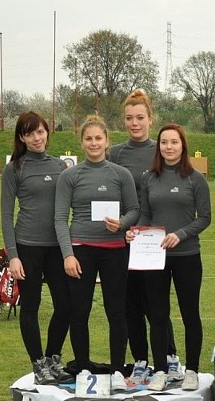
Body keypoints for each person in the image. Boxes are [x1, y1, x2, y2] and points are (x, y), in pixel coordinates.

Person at [54, 115, 139, 386]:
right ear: (81, 142)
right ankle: (82, 369)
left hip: (115, 250)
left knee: (116, 311)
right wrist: (68, 254)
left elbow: (134, 209)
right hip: (81, 250)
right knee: (79, 311)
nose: (93, 143)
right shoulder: (69, 175)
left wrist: (122, 223)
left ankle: (116, 370)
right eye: (88, 138)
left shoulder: (120, 174)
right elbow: (59, 218)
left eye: (98, 138)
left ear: (106, 141)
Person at [128, 124, 211, 391]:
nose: (169, 147)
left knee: (190, 314)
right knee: (158, 315)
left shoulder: (195, 178)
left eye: (174, 142)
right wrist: (135, 232)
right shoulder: (149, 178)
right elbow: (145, 214)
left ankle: (193, 370)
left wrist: (182, 233)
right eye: (164, 143)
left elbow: (205, 218)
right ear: (159, 146)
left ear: (182, 145)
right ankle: (161, 370)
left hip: (187, 255)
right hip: (156, 257)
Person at [109, 89, 179, 380]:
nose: (134, 123)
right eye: (129, 118)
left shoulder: (159, 150)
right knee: (131, 303)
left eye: (140, 117)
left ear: (151, 119)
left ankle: (170, 356)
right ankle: (139, 358)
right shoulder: (116, 154)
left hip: (153, 239)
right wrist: (121, 226)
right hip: (125, 240)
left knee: (156, 303)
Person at [0, 111, 72, 384]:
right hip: (27, 247)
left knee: (65, 305)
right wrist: (13, 256)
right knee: (31, 306)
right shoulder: (14, 168)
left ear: (47, 132)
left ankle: (53, 359)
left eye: (40, 131)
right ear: (22, 137)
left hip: (57, 248)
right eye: (30, 133)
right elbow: (6, 215)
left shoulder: (60, 166)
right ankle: (38, 364)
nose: (36, 137)